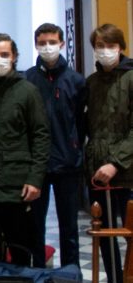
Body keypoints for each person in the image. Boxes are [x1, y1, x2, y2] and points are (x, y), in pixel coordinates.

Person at [0, 33, 51, 265]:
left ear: (14, 57)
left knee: (21, 251)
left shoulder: (27, 91)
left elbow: (41, 136)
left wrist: (35, 179)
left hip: (18, 185)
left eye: (4, 54)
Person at [25, 23, 86, 268]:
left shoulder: (76, 80)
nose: (47, 47)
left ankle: (71, 275)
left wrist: (74, 148)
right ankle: (38, 275)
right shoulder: (27, 79)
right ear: (36, 45)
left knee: (69, 227)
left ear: (61, 43)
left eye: (52, 42)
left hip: (67, 163)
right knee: (34, 227)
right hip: (37, 165)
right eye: (42, 43)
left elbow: (81, 122)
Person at [84, 23, 133, 283]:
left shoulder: (131, 78)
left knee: (129, 232)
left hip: (125, 170)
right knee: (103, 234)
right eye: (100, 46)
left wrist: (115, 163)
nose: (105, 51)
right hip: (97, 171)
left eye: (110, 46)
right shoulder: (92, 82)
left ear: (121, 47)